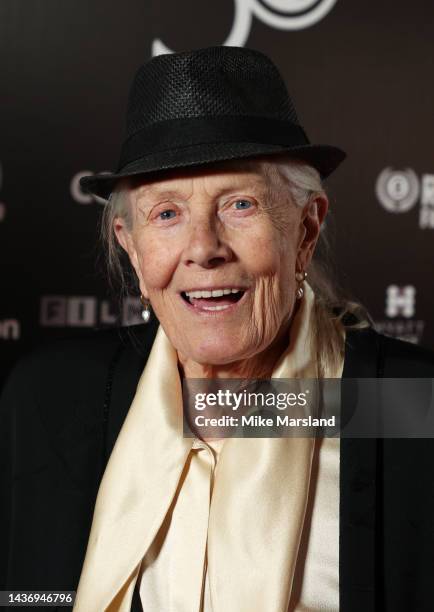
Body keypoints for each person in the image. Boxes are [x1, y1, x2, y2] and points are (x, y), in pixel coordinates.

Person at [1, 46, 434, 612]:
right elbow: (31, 597)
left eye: (240, 204)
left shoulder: (407, 406)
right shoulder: (51, 399)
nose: (203, 249)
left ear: (306, 229)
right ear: (131, 247)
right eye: (167, 214)